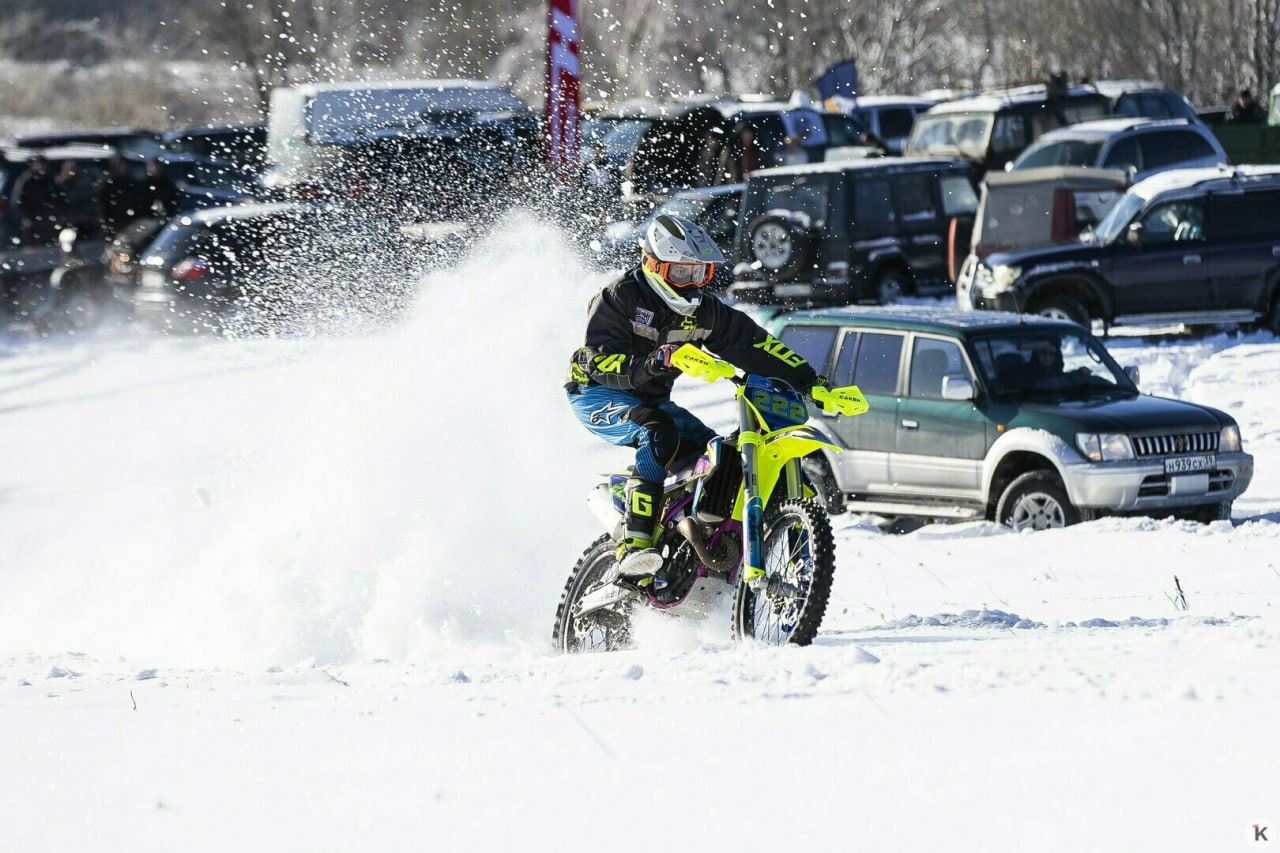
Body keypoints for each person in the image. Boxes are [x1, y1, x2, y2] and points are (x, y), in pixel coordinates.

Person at [564, 215, 820, 580]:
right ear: (653, 264)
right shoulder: (620, 297)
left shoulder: (705, 311)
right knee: (657, 431)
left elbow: (755, 344)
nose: (691, 284)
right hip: (597, 393)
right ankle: (634, 543)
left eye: (700, 274)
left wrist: (811, 381)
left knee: (718, 455)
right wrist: (654, 362)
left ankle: (687, 537)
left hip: (652, 401)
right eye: (682, 273)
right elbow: (598, 360)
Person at [12, 155, 63, 246]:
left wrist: (55, 213)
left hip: (48, 220)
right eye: (40, 165)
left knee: (50, 245)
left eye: (44, 165)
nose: (42, 167)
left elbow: (57, 197)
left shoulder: (50, 179)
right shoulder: (27, 180)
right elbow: (19, 201)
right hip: (32, 221)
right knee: (33, 247)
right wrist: (29, 216)